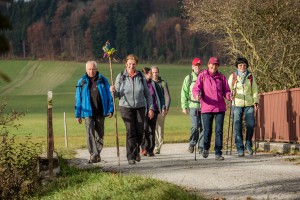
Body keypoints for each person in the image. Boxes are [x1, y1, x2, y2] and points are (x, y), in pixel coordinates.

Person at [110, 54, 154, 165]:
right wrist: (113, 91)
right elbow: (117, 94)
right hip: (125, 107)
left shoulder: (140, 76)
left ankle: (136, 152)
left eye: (133, 64)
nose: (131, 66)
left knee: (140, 132)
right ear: (126, 64)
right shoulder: (121, 76)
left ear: (136, 64)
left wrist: (150, 107)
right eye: (129, 64)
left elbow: (147, 93)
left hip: (140, 106)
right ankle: (131, 156)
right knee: (131, 131)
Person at [192, 57, 231, 160]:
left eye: (216, 65)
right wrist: (197, 95)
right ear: (208, 65)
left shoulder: (221, 77)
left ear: (218, 66)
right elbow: (196, 88)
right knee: (207, 130)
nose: (214, 66)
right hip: (207, 107)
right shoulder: (202, 75)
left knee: (219, 131)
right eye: (212, 64)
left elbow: (226, 91)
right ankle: (206, 148)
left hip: (220, 108)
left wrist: (229, 96)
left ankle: (218, 152)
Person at [75, 61, 114, 163]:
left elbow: (110, 96)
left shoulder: (103, 80)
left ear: (96, 69)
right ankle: (93, 154)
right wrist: (77, 114)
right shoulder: (81, 82)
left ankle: (97, 153)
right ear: (86, 70)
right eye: (89, 69)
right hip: (87, 112)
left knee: (100, 134)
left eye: (93, 69)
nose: (91, 71)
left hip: (101, 111)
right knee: (90, 133)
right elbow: (78, 98)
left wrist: (111, 109)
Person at [228, 57, 258, 156]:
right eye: (240, 65)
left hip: (249, 104)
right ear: (237, 66)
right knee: (237, 126)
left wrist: (256, 102)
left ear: (247, 66)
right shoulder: (233, 76)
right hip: (236, 104)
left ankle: (248, 143)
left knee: (250, 124)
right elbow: (228, 90)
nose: (242, 67)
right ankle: (240, 147)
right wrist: (231, 94)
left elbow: (255, 90)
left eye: (244, 65)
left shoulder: (250, 76)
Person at [181, 58, 204, 154]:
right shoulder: (188, 78)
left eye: (199, 65)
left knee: (204, 127)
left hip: (204, 106)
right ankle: (192, 144)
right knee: (195, 126)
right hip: (193, 105)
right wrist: (184, 106)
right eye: (195, 65)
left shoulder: (205, 77)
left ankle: (201, 147)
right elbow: (184, 93)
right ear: (192, 67)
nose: (197, 67)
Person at [141, 67, 166, 156]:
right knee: (145, 129)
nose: (152, 74)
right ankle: (144, 148)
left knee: (152, 130)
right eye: (150, 73)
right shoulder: (141, 84)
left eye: (152, 73)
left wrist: (163, 107)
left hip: (154, 110)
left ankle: (151, 150)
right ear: (146, 74)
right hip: (143, 110)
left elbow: (161, 96)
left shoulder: (154, 84)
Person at [151, 66, 171, 154]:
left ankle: (159, 145)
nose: (155, 74)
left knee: (160, 129)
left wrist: (165, 108)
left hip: (161, 110)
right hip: (152, 109)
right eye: (153, 72)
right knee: (153, 129)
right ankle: (155, 146)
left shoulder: (163, 83)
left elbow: (167, 97)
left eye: (156, 72)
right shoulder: (149, 83)